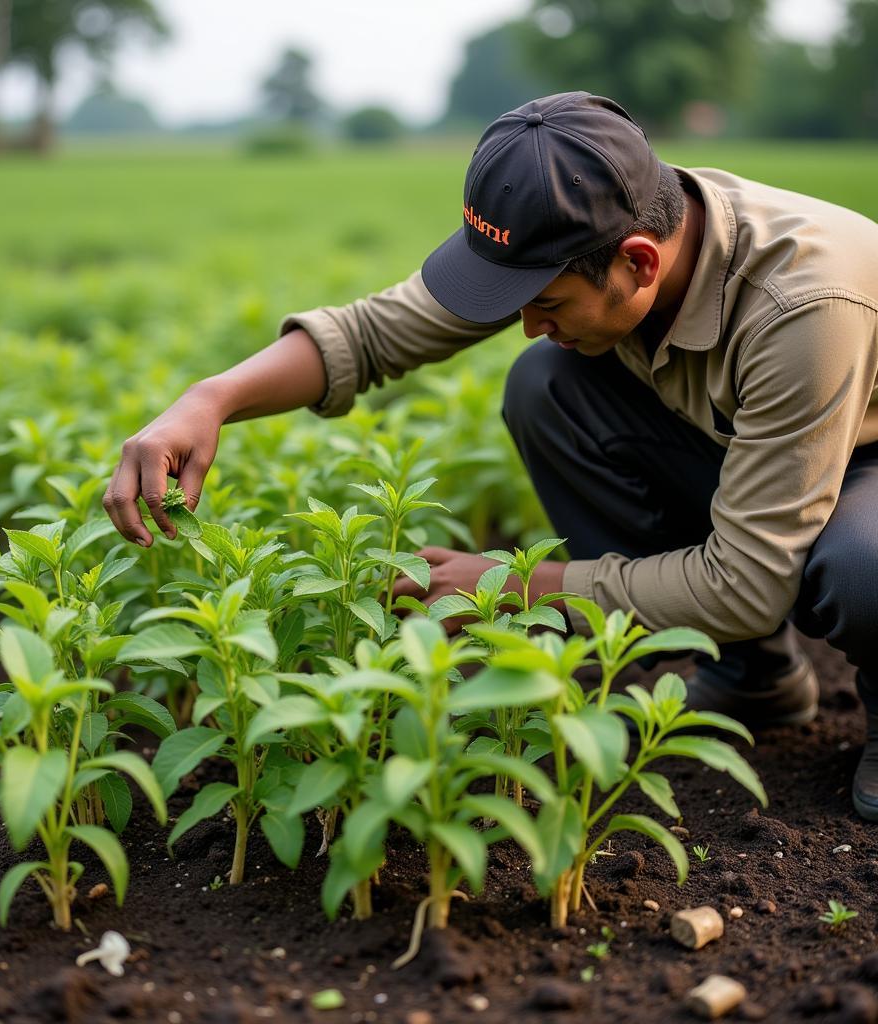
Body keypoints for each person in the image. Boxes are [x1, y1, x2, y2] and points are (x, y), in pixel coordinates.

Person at [103, 92, 878, 820]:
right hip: (776, 445)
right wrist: (211, 399)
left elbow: (744, 583)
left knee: (859, 567)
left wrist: (515, 584)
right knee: (548, 383)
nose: (527, 323)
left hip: (865, 462)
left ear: (640, 263)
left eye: (546, 304)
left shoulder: (801, 309)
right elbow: (372, 333)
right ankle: (756, 679)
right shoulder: (583, 229)